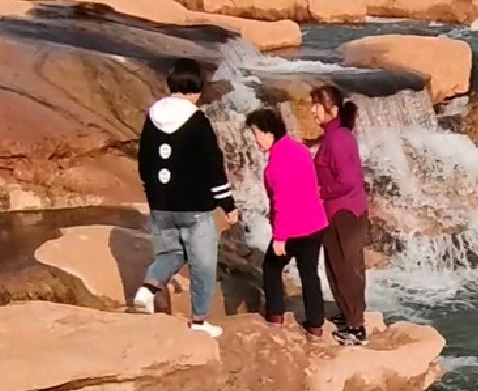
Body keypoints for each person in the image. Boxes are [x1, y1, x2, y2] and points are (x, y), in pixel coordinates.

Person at [131, 58, 238, 339]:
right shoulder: (197, 121)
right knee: (202, 264)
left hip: (161, 204)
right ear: (196, 89)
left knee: (172, 253)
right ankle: (200, 321)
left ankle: (147, 289)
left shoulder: (152, 117)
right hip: (194, 207)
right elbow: (213, 166)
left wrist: (154, 191)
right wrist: (228, 205)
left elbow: (143, 162)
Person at [246, 107, 328, 340]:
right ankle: (315, 326)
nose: (255, 139)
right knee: (309, 274)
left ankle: (275, 315)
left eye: (256, 133)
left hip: (293, 229)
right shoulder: (300, 149)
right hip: (315, 223)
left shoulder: (275, 166)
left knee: (271, 268)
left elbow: (283, 204)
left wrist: (280, 238)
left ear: (268, 132)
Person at [312, 84, 369, 345]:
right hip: (341, 210)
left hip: (344, 212)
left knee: (346, 268)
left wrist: (319, 191)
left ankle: (356, 328)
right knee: (337, 265)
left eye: (317, 105)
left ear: (332, 109)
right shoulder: (335, 135)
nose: (313, 111)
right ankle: (349, 315)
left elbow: (347, 181)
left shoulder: (337, 139)